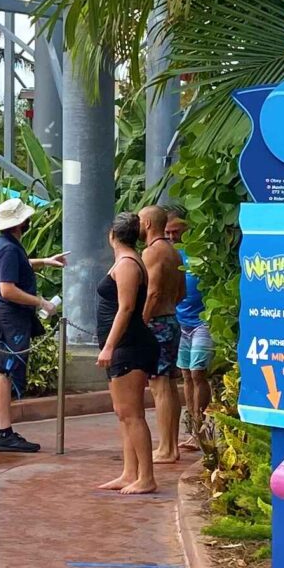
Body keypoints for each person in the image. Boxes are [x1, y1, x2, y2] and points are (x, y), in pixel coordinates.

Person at [0, 196, 60, 452]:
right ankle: (5, 432)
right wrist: (40, 302)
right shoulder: (10, 249)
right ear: (21, 223)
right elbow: (8, 289)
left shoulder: (4, 245)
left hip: (1, 317)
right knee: (4, 372)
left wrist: (44, 261)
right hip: (10, 319)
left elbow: (16, 268)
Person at [96, 210, 160, 494]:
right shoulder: (128, 261)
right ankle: (129, 471)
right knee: (122, 412)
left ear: (112, 235)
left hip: (129, 346)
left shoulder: (127, 265)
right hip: (124, 345)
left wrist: (109, 345)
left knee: (132, 413)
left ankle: (146, 477)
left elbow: (127, 307)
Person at [139, 204, 184, 465]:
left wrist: (142, 322)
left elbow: (153, 292)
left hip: (157, 323)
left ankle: (167, 448)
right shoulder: (174, 253)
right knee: (167, 384)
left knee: (159, 384)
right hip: (170, 319)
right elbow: (181, 294)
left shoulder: (152, 252)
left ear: (147, 225)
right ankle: (170, 445)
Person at [168, 208, 211, 451]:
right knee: (185, 374)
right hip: (181, 321)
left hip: (203, 320)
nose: (172, 236)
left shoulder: (201, 252)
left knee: (198, 373)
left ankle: (201, 428)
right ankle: (194, 429)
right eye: (168, 232)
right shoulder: (169, 254)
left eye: (176, 231)